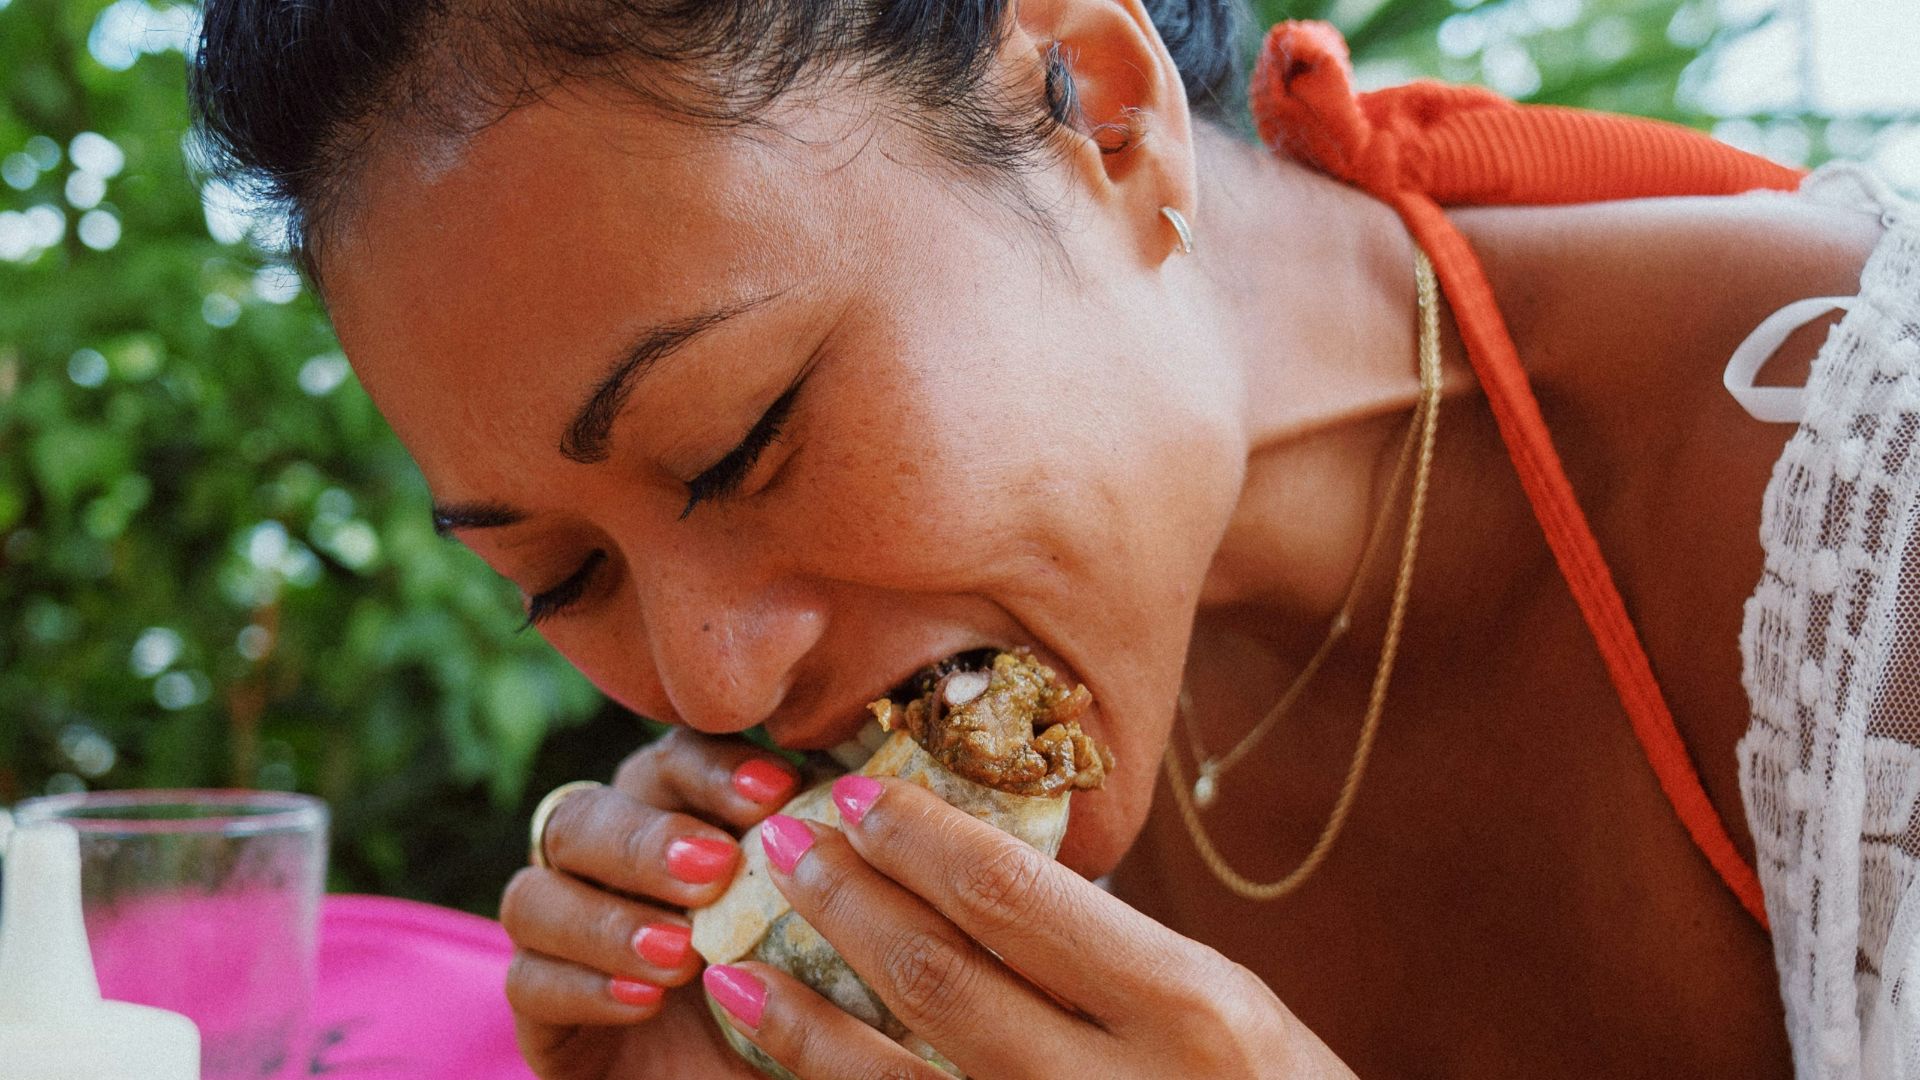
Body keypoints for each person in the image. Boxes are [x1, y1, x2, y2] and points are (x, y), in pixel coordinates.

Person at [186, 0, 1917, 1076]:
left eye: (740, 447)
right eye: (560, 578)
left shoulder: (1868, 504)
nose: (713, 678)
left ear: (1096, 106)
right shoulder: (977, 715)